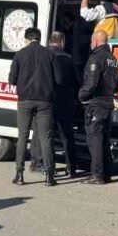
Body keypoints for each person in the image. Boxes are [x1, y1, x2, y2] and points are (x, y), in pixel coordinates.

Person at [6, 27, 57, 186]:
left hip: (25, 101)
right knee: (45, 137)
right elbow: (58, 79)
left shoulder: (19, 54)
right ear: (40, 39)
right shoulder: (50, 54)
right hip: (45, 101)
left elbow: (12, 80)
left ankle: (19, 174)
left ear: (26, 39)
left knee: (22, 136)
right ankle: (49, 176)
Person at [78, 29, 118, 185]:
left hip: (96, 104)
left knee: (94, 140)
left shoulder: (96, 59)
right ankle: (106, 173)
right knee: (104, 140)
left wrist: (81, 96)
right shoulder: (113, 59)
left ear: (95, 42)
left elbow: (91, 83)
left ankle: (97, 174)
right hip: (108, 104)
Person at [47, 31, 80, 177]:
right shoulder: (68, 58)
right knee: (67, 136)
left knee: (48, 136)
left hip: (48, 101)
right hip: (65, 102)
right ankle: (71, 167)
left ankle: (49, 167)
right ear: (62, 42)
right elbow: (76, 81)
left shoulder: (44, 57)